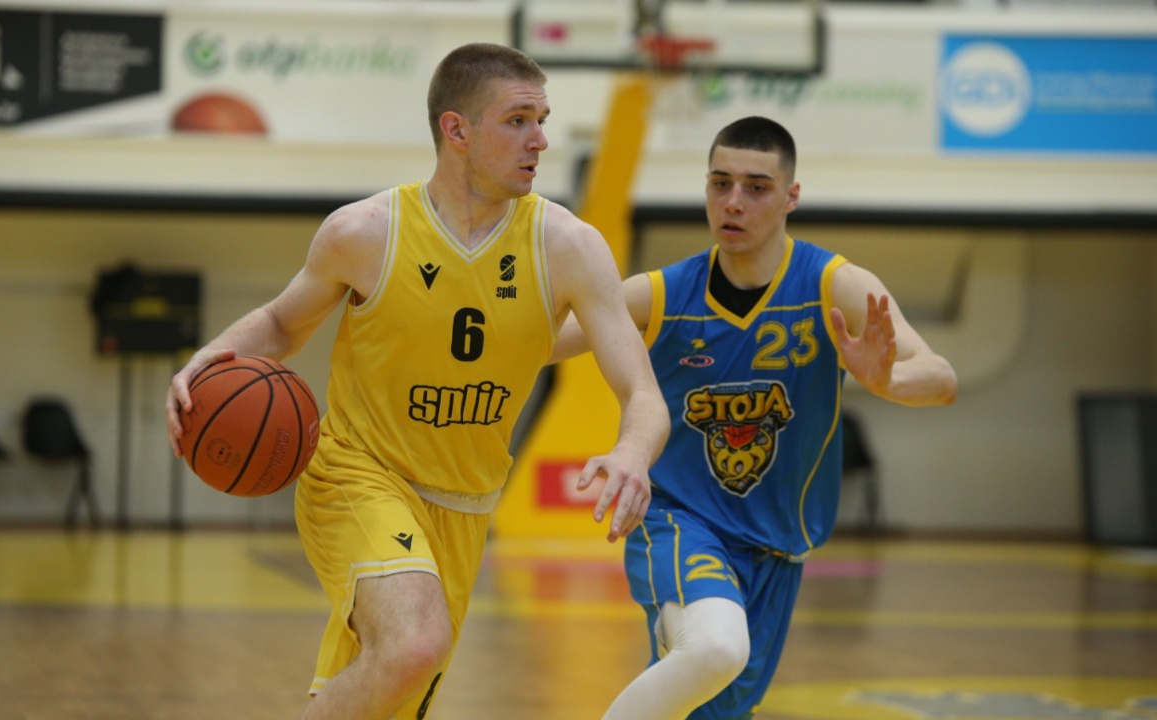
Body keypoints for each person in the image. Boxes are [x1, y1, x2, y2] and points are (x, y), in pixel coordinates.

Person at [165, 43, 669, 720]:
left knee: (391, 685)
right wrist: (210, 357)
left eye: (542, 120)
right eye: (518, 120)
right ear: (456, 129)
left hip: (465, 506)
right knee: (414, 644)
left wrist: (632, 452)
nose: (541, 140)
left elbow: (642, 394)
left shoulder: (569, 247)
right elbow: (283, 324)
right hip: (357, 475)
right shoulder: (366, 232)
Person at [551, 116, 958, 720]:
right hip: (681, 519)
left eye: (756, 187)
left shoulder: (832, 286)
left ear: (791, 196)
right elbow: (535, 344)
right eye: (720, 183)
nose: (733, 202)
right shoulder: (664, 293)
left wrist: (886, 381)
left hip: (777, 545)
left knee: (714, 701)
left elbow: (941, 377)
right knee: (716, 648)